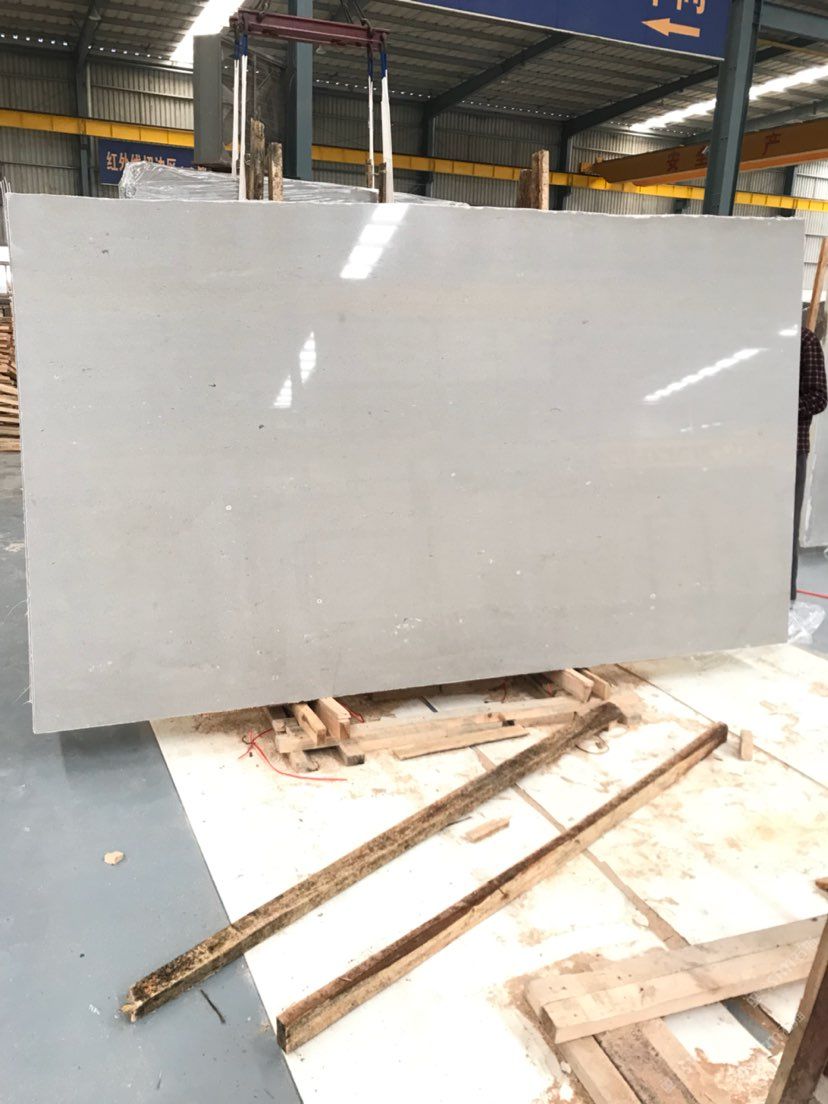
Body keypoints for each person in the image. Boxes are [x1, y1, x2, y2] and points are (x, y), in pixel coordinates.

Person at [792, 324, 828, 601]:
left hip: (790, 450)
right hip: (744, 449)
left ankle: (784, 599)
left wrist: (779, 409)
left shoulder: (804, 340)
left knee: (785, 528)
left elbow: (818, 397)